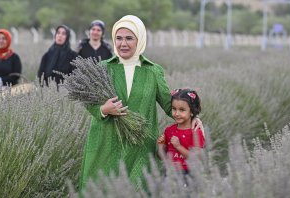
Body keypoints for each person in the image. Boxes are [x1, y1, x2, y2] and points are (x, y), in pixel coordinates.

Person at [79, 15, 203, 190]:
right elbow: (88, 100)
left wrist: (192, 117)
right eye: (119, 38)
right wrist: (103, 109)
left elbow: (170, 105)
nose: (123, 44)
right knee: (102, 188)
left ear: (140, 40)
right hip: (106, 140)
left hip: (140, 143)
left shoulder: (153, 71)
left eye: (129, 38)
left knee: (137, 188)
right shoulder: (103, 67)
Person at [157, 89, 205, 177]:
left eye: (182, 110)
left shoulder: (195, 132)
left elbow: (197, 158)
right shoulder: (169, 130)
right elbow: (163, 158)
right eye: (174, 109)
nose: (176, 113)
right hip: (169, 173)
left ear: (191, 112)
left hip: (188, 174)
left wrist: (178, 146)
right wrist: (160, 145)